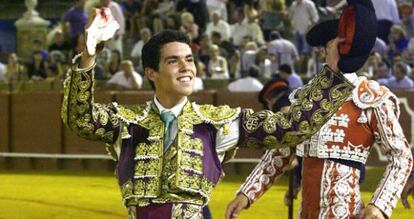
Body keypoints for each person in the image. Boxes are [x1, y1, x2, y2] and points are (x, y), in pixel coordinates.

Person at [61, 8, 354, 218]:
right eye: (174, 61)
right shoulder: (129, 122)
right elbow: (80, 118)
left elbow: (291, 126)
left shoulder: (217, 123)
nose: (186, 67)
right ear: (151, 72)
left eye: (189, 59)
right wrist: (88, 56)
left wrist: (335, 73)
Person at [225, 3, 413, 218]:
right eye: (328, 46)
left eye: (338, 44)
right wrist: (246, 194)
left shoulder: (370, 97)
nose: (330, 51)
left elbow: (402, 156)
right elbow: (281, 151)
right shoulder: (306, 96)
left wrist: (379, 204)